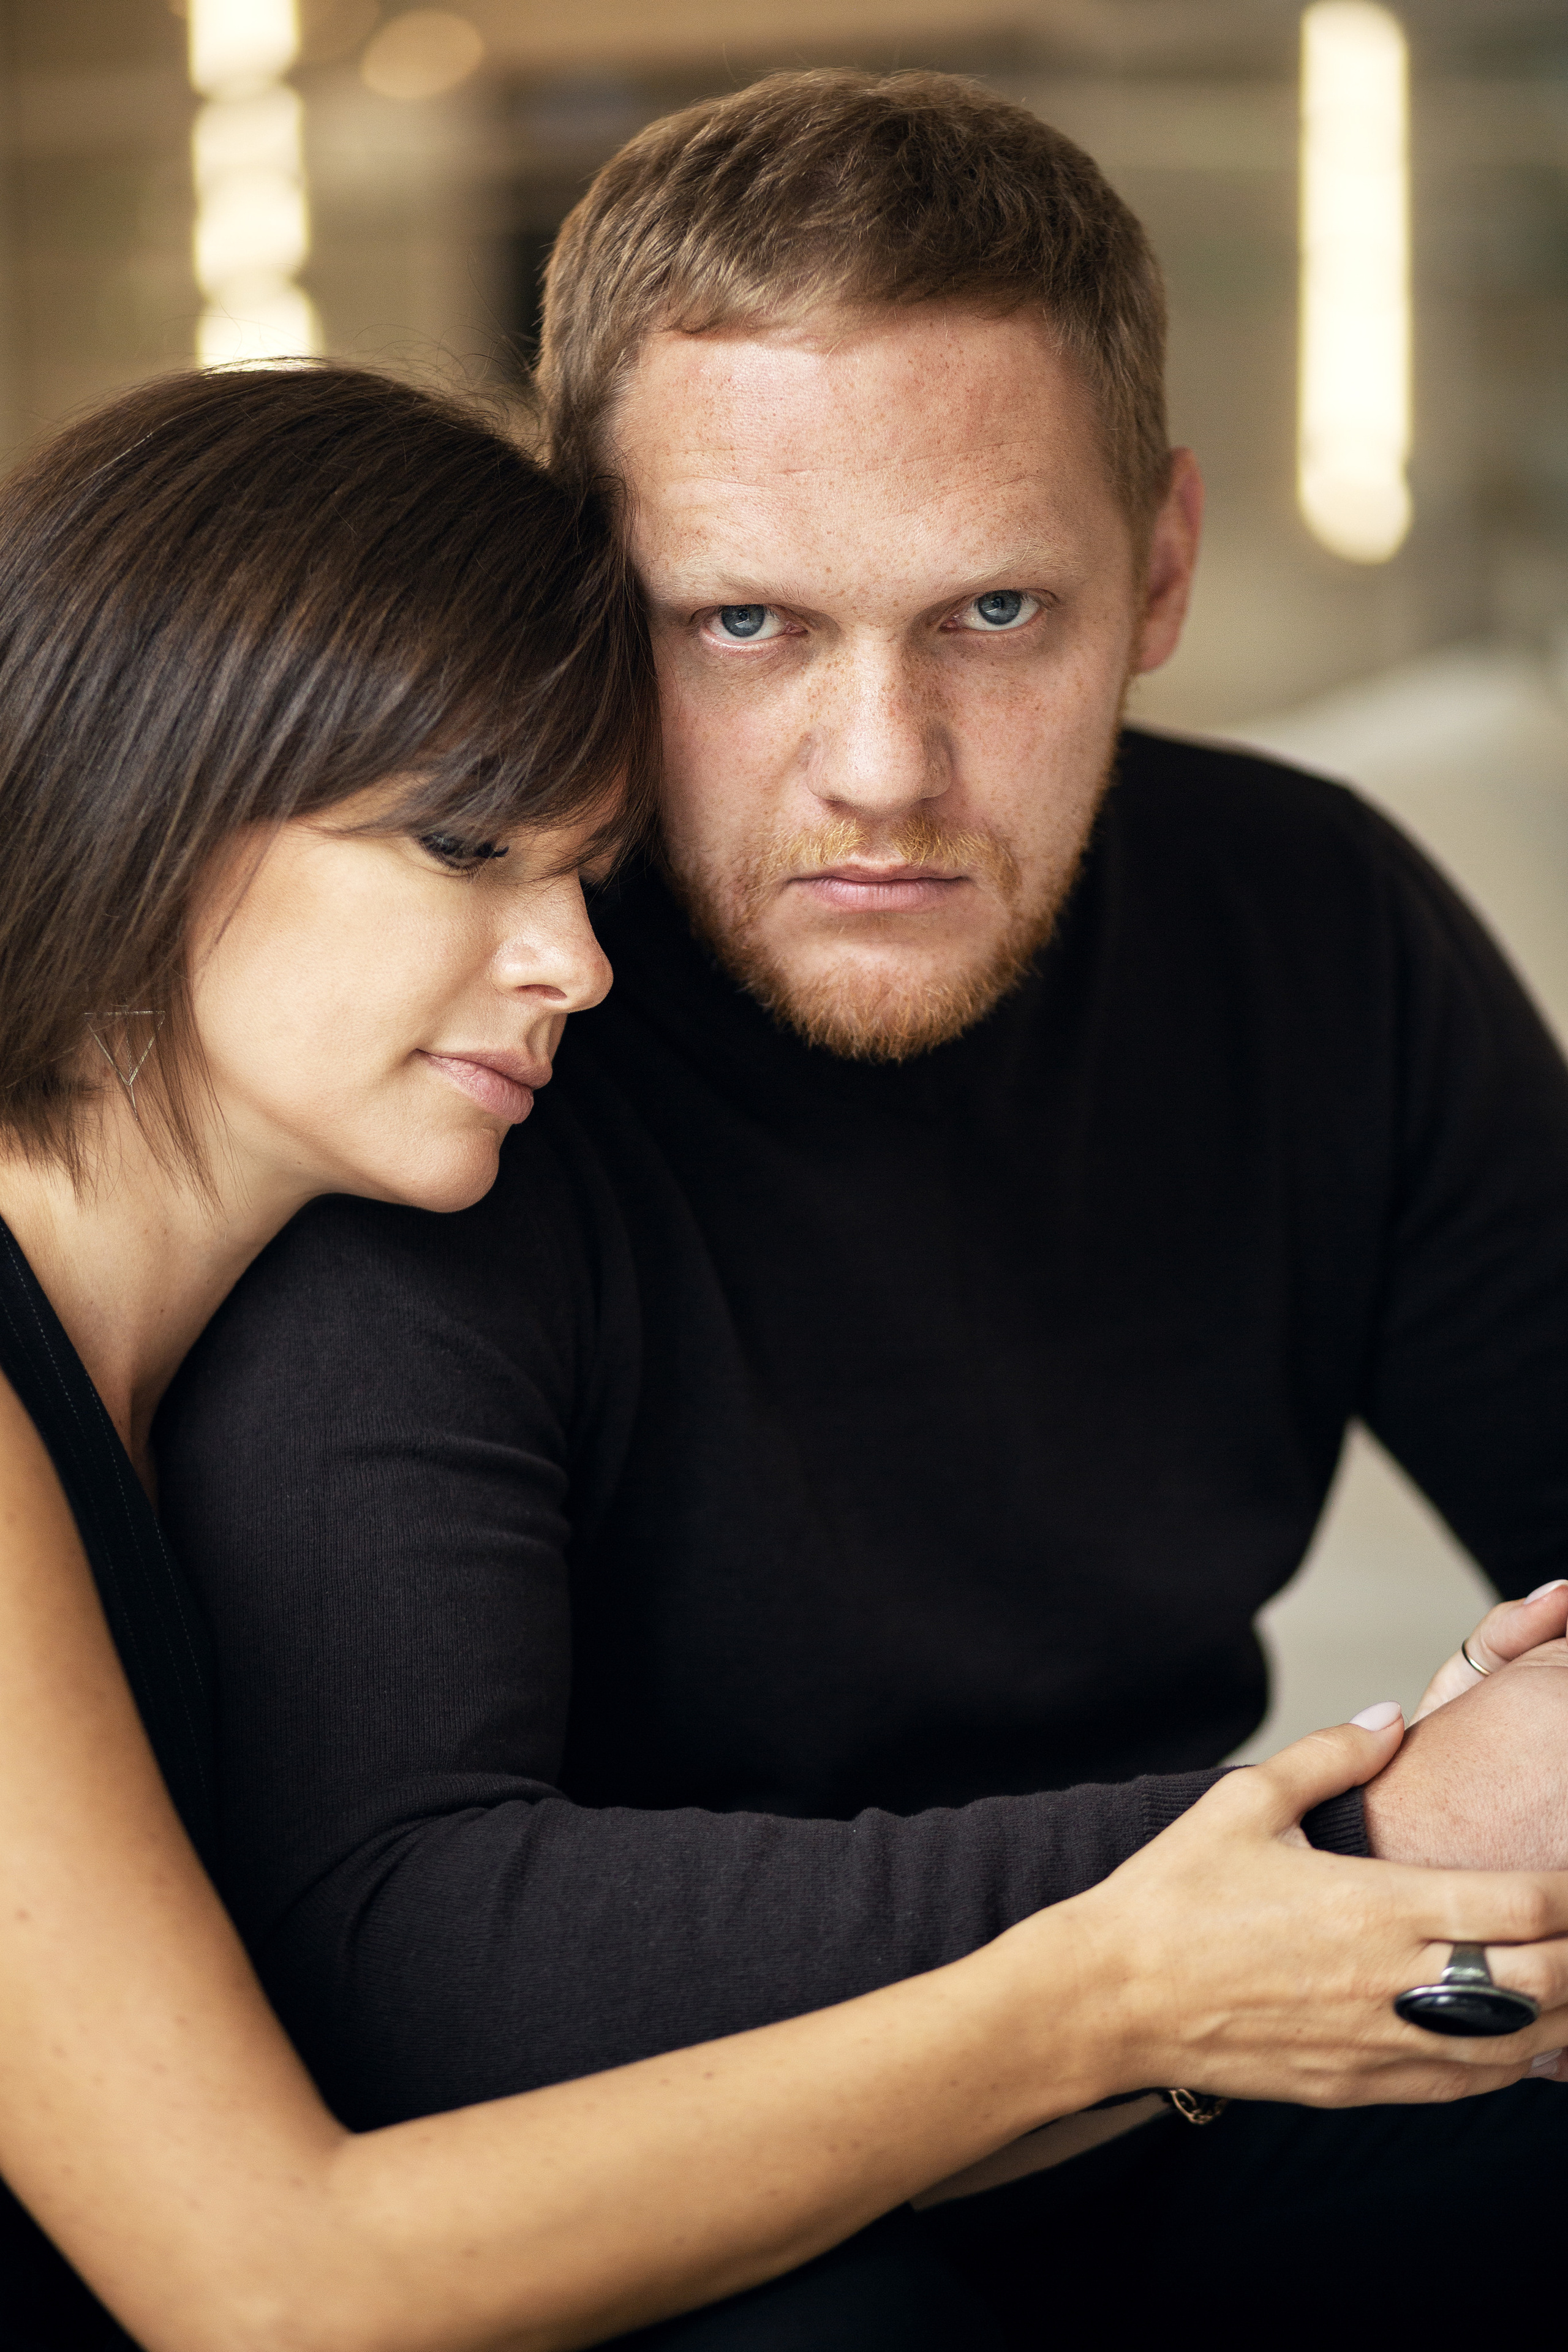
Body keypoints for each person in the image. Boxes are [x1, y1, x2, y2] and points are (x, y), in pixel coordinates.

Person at [156, 73, 1568, 2345]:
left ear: (1167, 572)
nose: (884, 766)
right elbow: (410, 1944)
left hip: (1211, 2120)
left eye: (995, 609)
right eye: (743, 627)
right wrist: (1362, 1859)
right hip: (666, 2166)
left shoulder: (1313, 930)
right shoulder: (453, 1063)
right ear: (583, 601)